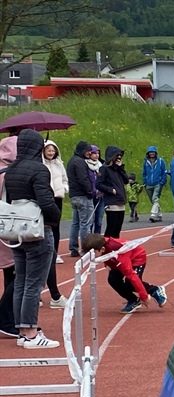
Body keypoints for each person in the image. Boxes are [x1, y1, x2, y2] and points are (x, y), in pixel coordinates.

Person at [5, 129, 62, 349]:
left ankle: (22, 331)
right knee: (33, 284)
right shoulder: (39, 169)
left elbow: (10, 199)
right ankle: (31, 333)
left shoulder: (12, 169)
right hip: (38, 229)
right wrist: (54, 219)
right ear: (38, 147)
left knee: (20, 281)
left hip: (17, 231)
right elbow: (46, 202)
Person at [81, 233, 168, 313]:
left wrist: (144, 296)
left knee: (130, 283)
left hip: (136, 258)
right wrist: (107, 264)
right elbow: (105, 254)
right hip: (114, 259)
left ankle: (155, 290)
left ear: (102, 249)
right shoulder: (100, 244)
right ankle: (133, 300)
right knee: (113, 280)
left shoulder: (119, 257)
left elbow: (132, 276)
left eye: (93, 253)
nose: (90, 255)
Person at [41, 139, 67, 308]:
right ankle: (53, 295)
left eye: (53, 150)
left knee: (55, 232)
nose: (51, 152)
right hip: (45, 201)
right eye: (48, 150)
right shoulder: (40, 166)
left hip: (57, 199)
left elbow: (65, 179)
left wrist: (64, 189)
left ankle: (55, 251)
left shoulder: (59, 164)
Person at [0, 135, 18, 337]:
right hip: (14, 226)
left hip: (2, 226)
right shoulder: (12, 173)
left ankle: (10, 317)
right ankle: (5, 316)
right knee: (21, 274)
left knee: (10, 273)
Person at [66, 141, 95, 257]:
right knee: (85, 223)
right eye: (88, 151)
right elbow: (83, 179)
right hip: (83, 196)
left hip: (74, 195)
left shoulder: (71, 161)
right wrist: (90, 192)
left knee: (76, 223)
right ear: (83, 151)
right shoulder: (80, 162)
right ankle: (86, 249)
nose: (89, 153)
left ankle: (73, 248)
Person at [95, 146, 128, 238]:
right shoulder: (104, 169)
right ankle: (106, 247)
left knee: (118, 227)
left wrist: (121, 168)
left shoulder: (118, 169)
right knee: (111, 227)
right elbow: (98, 184)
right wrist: (110, 190)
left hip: (121, 200)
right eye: (117, 156)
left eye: (120, 156)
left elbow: (126, 180)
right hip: (112, 201)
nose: (119, 158)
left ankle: (115, 246)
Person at [142, 145, 168, 222]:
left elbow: (164, 172)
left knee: (155, 199)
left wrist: (162, 182)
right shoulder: (146, 162)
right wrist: (145, 182)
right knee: (153, 201)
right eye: (150, 152)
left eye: (153, 152)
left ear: (155, 153)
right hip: (148, 184)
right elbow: (144, 173)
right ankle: (159, 215)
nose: (152, 154)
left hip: (158, 183)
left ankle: (153, 214)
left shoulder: (160, 161)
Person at [86, 145, 104, 234]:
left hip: (101, 196)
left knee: (99, 221)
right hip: (91, 196)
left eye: (98, 153)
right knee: (90, 221)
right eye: (94, 153)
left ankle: (97, 240)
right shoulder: (85, 165)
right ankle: (90, 241)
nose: (96, 155)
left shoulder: (101, 165)